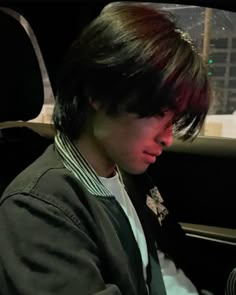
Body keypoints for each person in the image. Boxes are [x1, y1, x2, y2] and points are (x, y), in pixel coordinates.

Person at [0, 2, 212, 295]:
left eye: (174, 121)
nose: (168, 138)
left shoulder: (129, 174)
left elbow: (175, 260)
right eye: (158, 113)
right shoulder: (37, 210)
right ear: (97, 93)